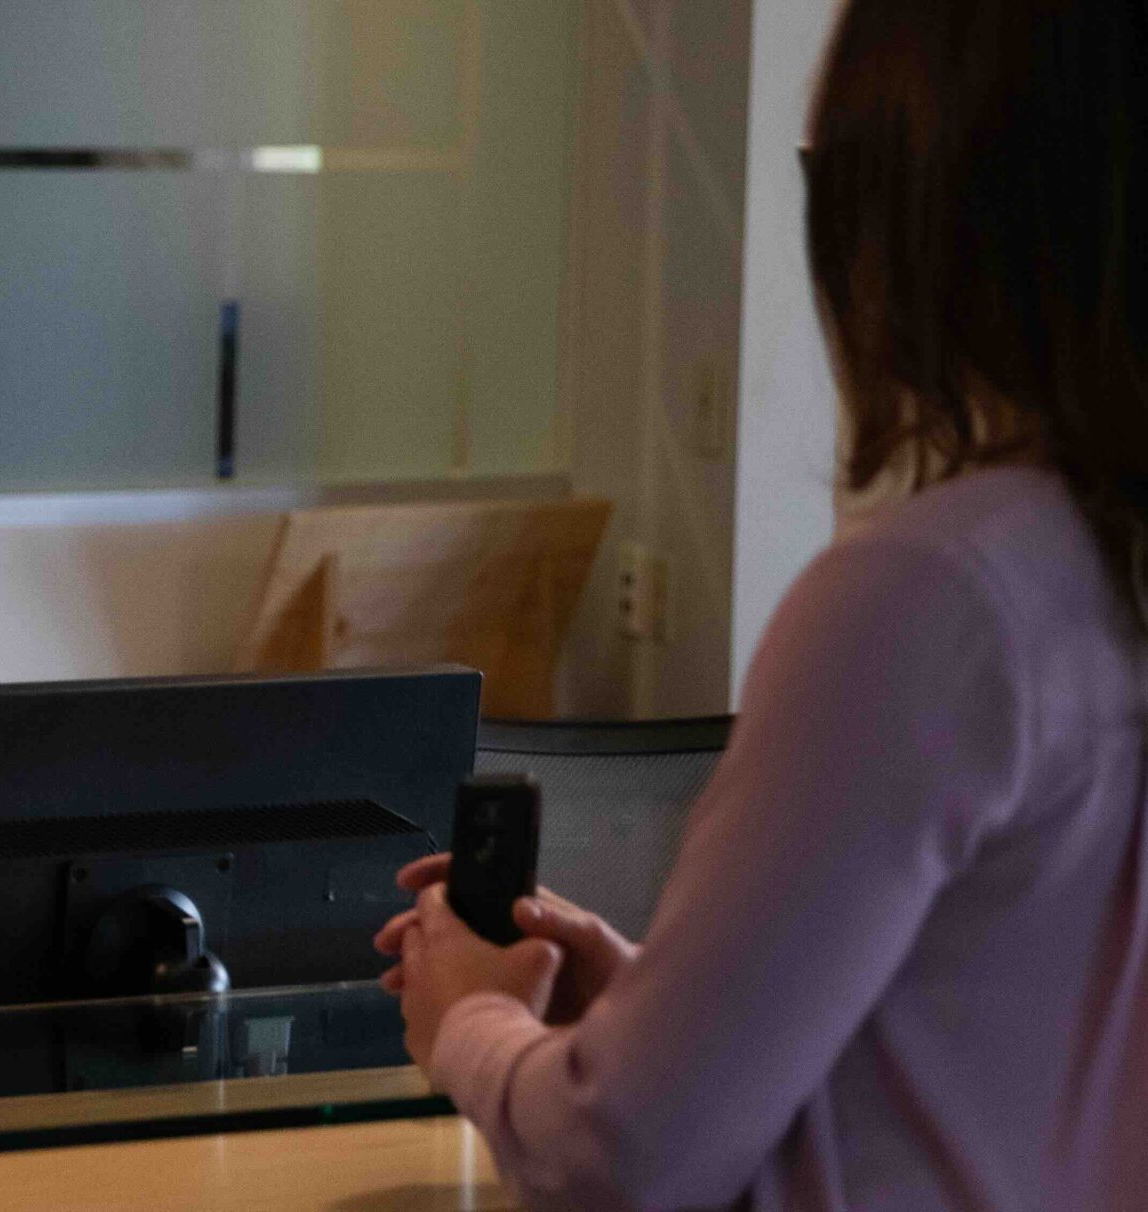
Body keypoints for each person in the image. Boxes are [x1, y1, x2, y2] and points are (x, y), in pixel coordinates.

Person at [375, 1, 1148, 1208]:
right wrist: (641, 1011)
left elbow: (623, 1160)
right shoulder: (1091, 578)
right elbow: (985, 1063)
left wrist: (470, 1021)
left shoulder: (937, 597)